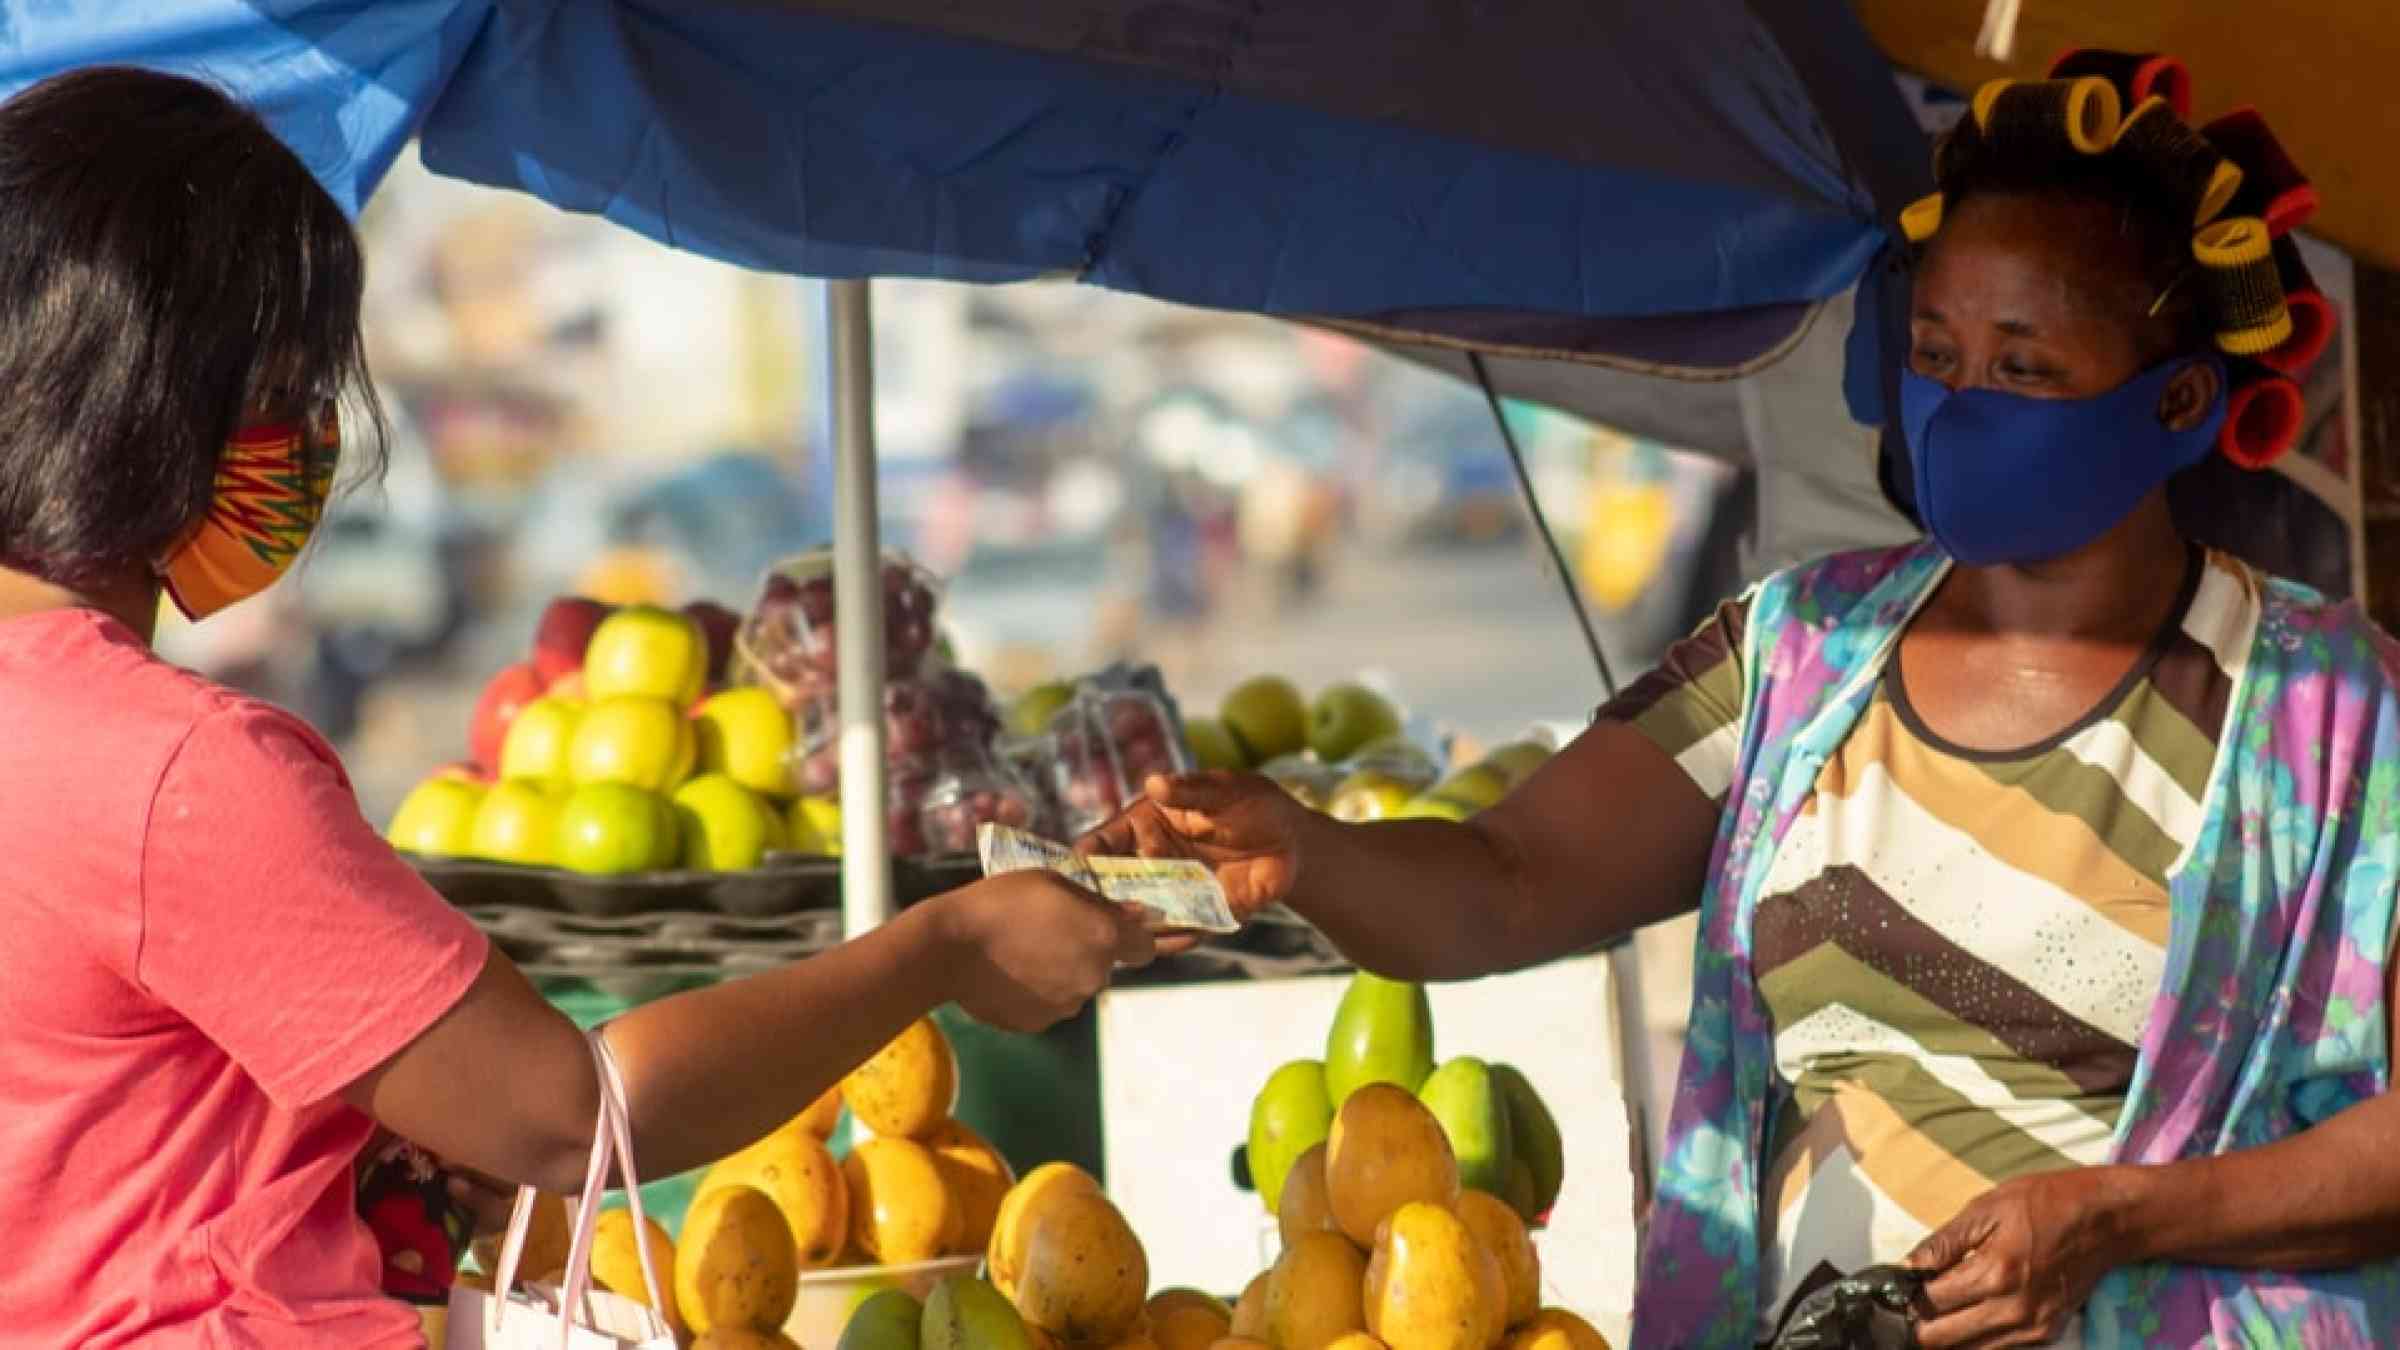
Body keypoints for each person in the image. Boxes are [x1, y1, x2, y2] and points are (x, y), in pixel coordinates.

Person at [1094, 74, 2400, 1348]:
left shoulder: (2333, 714)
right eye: (1936, 354)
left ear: (2178, 402)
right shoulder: (1800, 652)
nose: (1958, 403)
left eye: (2024, 366)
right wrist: (1309, 850)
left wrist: (2118, 1216)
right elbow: (1509, 874)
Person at [0, 68, 1153, 1346]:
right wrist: (942, 950)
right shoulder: (180, 772)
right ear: (161, 398)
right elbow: (571, 1113)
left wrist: (365, 1171)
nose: (309, 436)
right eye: (283, 390)